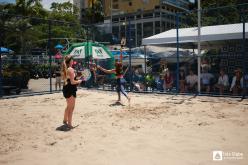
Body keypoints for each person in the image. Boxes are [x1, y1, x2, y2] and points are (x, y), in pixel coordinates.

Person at [61, 55, 82, 129]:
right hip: (70, 89)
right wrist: (79, 81)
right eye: (72, 60)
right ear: (70, 61)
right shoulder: (71, 69)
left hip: (66, 89)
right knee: (71, 107)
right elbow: (73, 82)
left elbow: (70, 79)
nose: (73, 61)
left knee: (68, 106)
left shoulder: (66, 69)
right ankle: (69, 124)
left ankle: (64, 120)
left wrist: (78, 78)